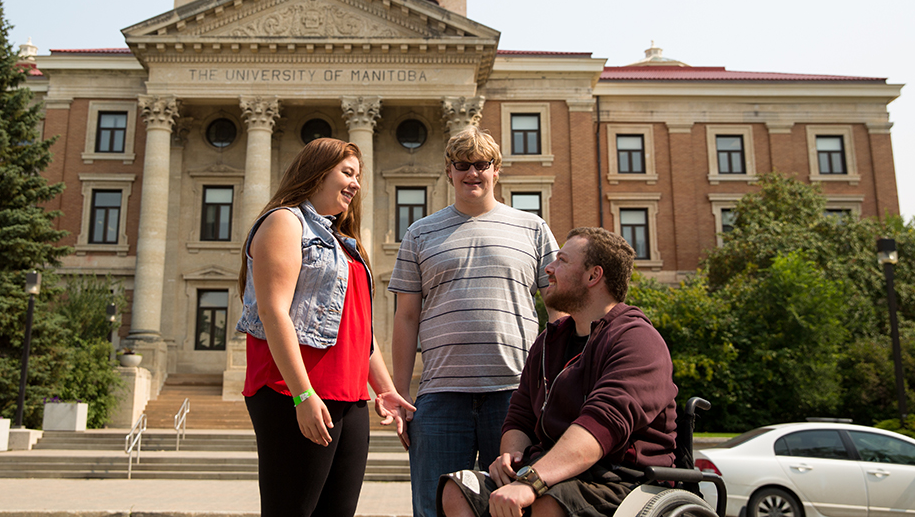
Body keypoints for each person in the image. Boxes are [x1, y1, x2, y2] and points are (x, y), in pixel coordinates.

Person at [438, 227, 678, 517]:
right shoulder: (549, 341)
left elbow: (601, 426)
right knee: (460, 489)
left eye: (562, 261)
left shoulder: (637, 340)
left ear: (593, 276)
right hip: (549, 474)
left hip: (623, 480)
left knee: (548, 502)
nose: (549, 269)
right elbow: (520, 416)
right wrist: (510, 459)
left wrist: (532, 481)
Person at [235, 138, 414, 517]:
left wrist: (385, 390)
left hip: (349, 398)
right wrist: (303, 395)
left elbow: (359, 331)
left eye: (359, 176)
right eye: (347, 173)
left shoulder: (344, 242)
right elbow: (273, 312)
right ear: (317, 172)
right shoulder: (284, 221)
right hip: (293, 391)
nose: (356, 184)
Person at [389, 127, 559, 517]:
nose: (472, 173)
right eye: (462, 165)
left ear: (496, 170)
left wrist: (559, 381)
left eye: (482, 165)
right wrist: (400, 395)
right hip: (440, 398)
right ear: (449, 171)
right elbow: (406, 316)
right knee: (435, 508)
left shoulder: (532, 228)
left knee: (515, 507)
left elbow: (558, 311)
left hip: (516, 395)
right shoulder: (419, 232)